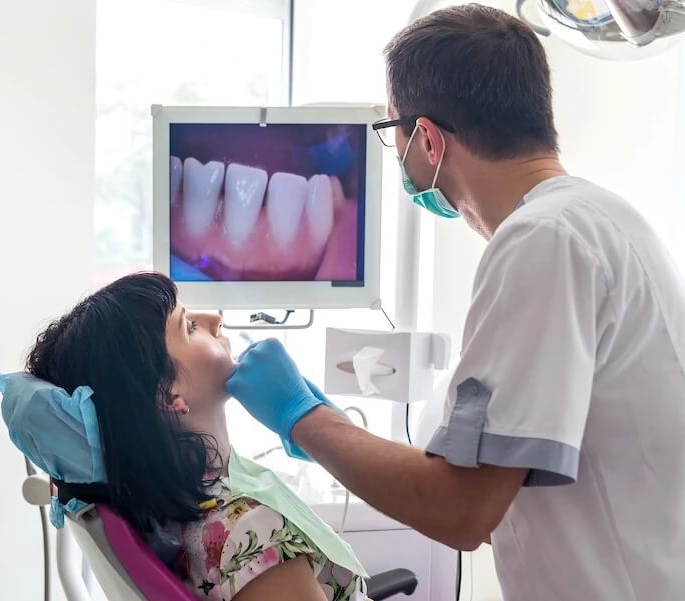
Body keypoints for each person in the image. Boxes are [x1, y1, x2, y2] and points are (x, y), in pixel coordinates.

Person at [226, 5, 685, 601]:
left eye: (390, 132)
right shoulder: (602, 219)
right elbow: (504, 491)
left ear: (428, 140)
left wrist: (301, 418)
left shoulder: (542, 240)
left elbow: (462, 513)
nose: (396, 154)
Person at [0, 272, 371, 601]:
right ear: (167, 395)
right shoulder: (249, 532)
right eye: (189, 327)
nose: (215, 319)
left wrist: (319, 430)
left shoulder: (173, 517)